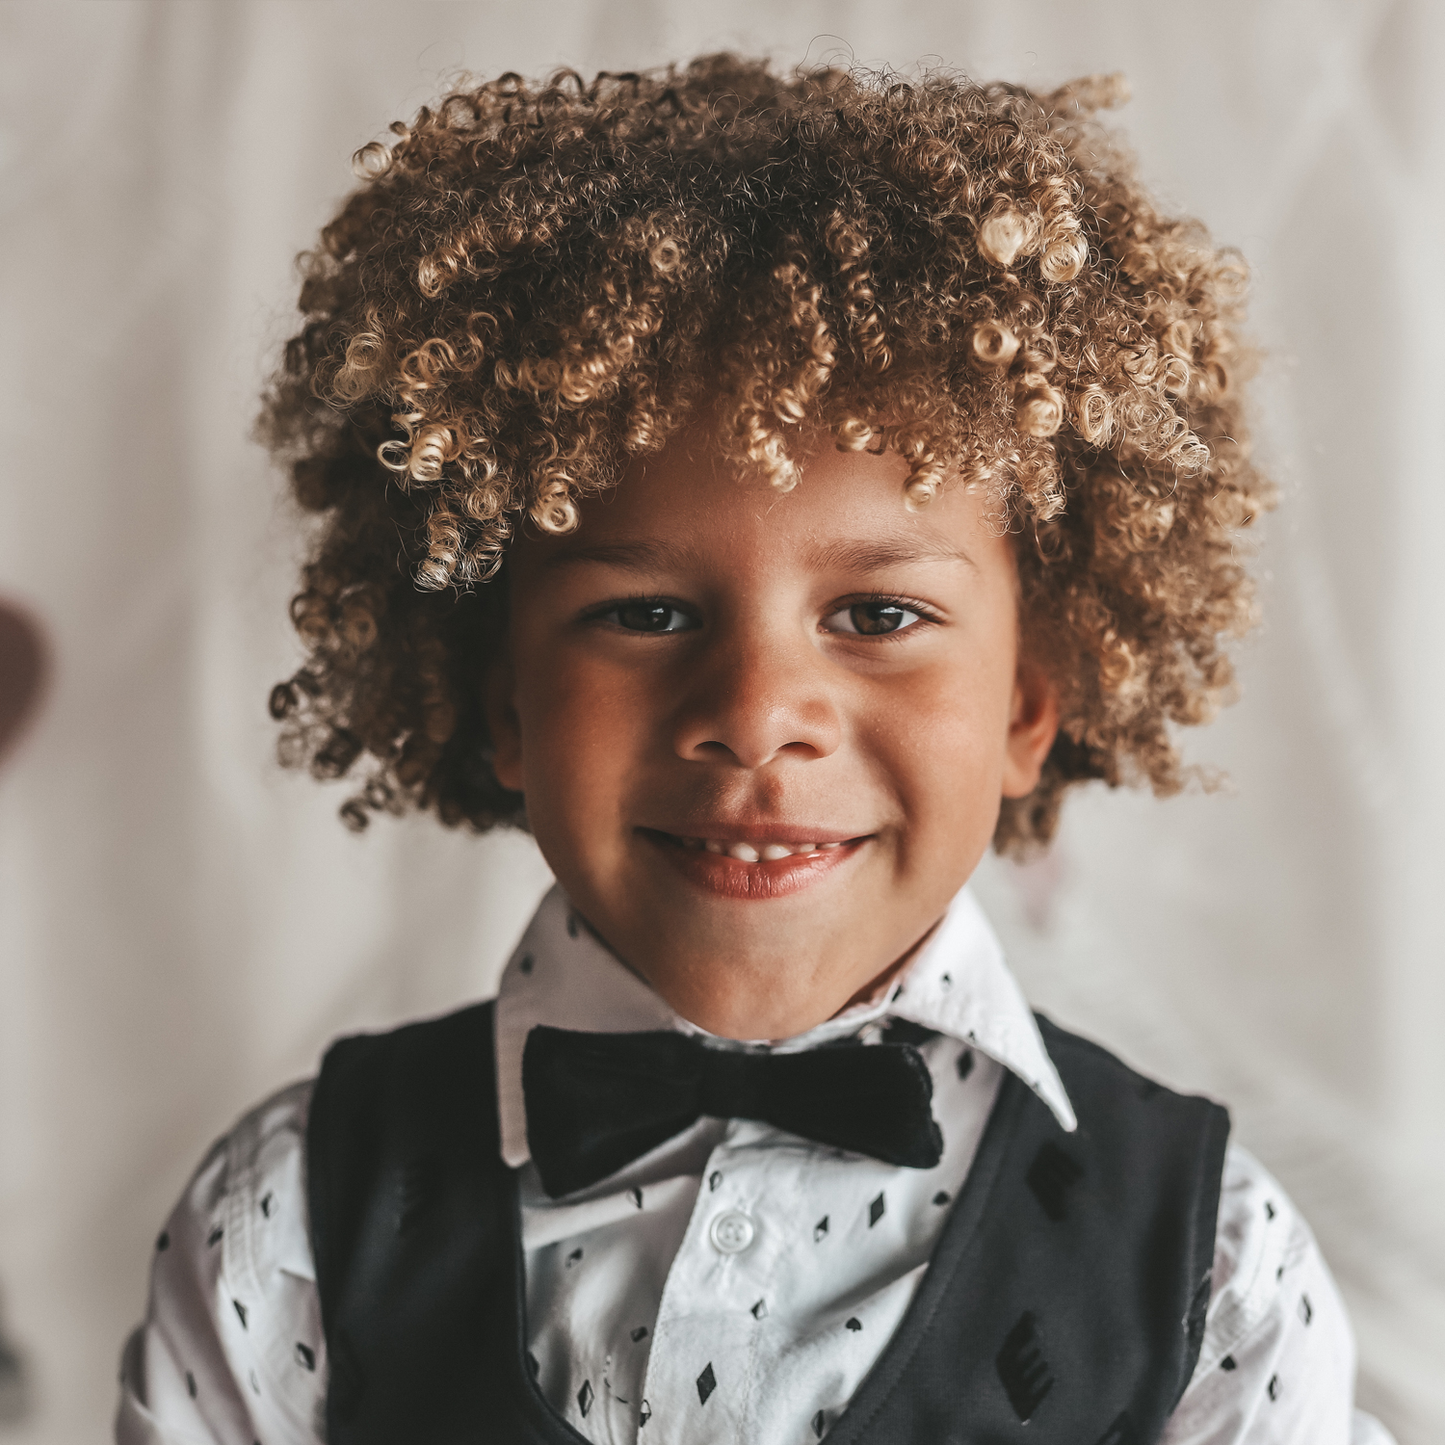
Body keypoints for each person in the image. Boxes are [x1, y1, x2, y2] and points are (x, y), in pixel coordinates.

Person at [115, 55, 1394, 1445]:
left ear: (1029, 708)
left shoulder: (1218, 1276)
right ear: (506, 703)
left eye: (879, 614)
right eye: (647, 612)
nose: (757, 709)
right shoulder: (288, 1227)